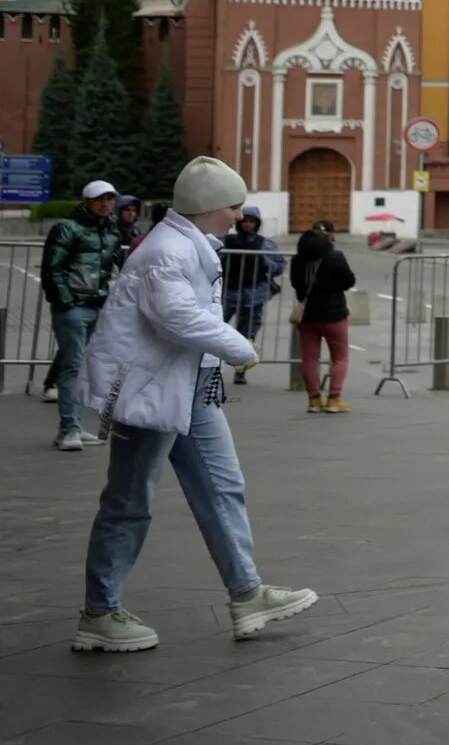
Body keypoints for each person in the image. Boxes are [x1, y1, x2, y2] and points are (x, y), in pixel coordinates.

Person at [72, 156, 318, 653]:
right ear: (211, 206)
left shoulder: (184, 244)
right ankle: (99, 613)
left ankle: (247, 592)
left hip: (184, 386)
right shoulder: (168, 249)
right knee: (130, 500)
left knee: (222, 486)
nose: (238, 214)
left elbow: (180, 318)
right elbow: (176, 317)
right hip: (152, 392)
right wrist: (240, 346)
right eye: (233, 205)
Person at [41, 179, 123, 450]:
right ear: (86, 201)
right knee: (73, 365)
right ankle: (68, 429)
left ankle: (74, 425)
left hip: (97, 305)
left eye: (110, 198)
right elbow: (52, 268)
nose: (105, 203)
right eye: (100, 198)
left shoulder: (111, 230)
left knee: (84, 367)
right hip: (74, 307)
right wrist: (66, 302)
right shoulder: (67, 228)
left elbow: (119, 264)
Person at [289, 221, 356, 413]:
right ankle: (334, 399)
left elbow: (296, 284)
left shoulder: (297, 260)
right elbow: (348, 281)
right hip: (334, 315)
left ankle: (314, 400)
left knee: (310, 358)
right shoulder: (335, 256)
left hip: (308, 316)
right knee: (340, 358)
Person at [218, 206, 285, 352]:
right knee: (216, 330)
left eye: (251, 221)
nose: (248, 224)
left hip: (253, 295)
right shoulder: (226, 241)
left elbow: (279, 266)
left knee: (247, 335)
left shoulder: (265, 244)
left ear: (257, 224)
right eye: (245, 221)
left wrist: (264, 261)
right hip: (227, 293)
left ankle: (241, 371)